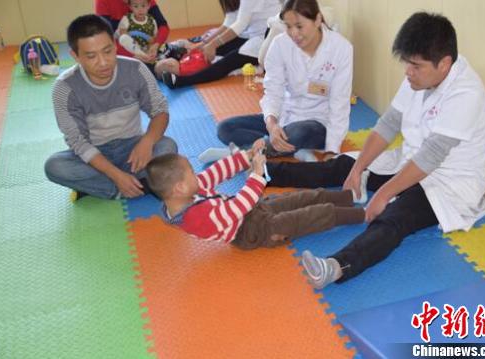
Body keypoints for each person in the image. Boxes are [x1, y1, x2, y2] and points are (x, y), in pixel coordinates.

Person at [266, 12, 485, 288]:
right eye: (407, 64)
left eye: (415, 66)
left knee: (394, 217)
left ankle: (336, 267)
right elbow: (388, 124)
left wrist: (385, 194)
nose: (408, 72)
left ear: (444, 64)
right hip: (411, 163)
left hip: (448, 182)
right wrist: (358, 168)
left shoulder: (466, 93)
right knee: (342, 166)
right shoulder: (419, 75)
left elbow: (432, 156)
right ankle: (266, 171)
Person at [44, 14, 177, 200]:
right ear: (75, 56)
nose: (103, 62)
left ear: (115, 45)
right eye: (91, 56)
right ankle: (132, 187)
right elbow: (78, 142)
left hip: (132, 147)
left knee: (167, 146)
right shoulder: (65, 87)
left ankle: (99, 187)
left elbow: (160, 110)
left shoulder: (135, 69)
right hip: (95, 154)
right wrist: (116, 175)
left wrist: (147, 141)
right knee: (54, 166)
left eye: (108, 51)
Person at [146, 139, 365, 249]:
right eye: (191, 173)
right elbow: (238, 207)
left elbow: (216, 173)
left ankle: (351, 196)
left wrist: (247, 156)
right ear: (179, 188)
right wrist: (258, 174)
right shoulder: (196, 218)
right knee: (313, 214)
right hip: (253, 231)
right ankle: (364, 214)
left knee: (304, 197)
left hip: (253, 211)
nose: (197, 176)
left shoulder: (189, 191)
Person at [211, 0, 353, 163]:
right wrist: (272, 125)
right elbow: (273, 91)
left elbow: (340, 103)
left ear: (318, 20)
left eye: (299, 26)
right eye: (288, 26)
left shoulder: (341, 48)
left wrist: (332, 149)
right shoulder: (280, 44)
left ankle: (246, 153)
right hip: (284, 117)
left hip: (317, 124)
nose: (294, 33)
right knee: (225, 128)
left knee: (300, 132)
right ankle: (289, 150)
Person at [157, 0, 281, 88]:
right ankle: (164, 65)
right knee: (204, 49)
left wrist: (212, 45)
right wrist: (205, 43)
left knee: (227, 62)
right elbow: (230, 21)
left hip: (266, 40)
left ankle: (181, 81)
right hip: (250, 35)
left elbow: (240, 24)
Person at [95, 0, 169, 64]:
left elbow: (163, 26)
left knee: (166, 61)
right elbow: (104, 39)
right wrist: (133, 55)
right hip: (120, 52)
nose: (140, 9)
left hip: (148, 49)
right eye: (136, 6)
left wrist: (156, 44)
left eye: (143, 5)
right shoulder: (103, 1)